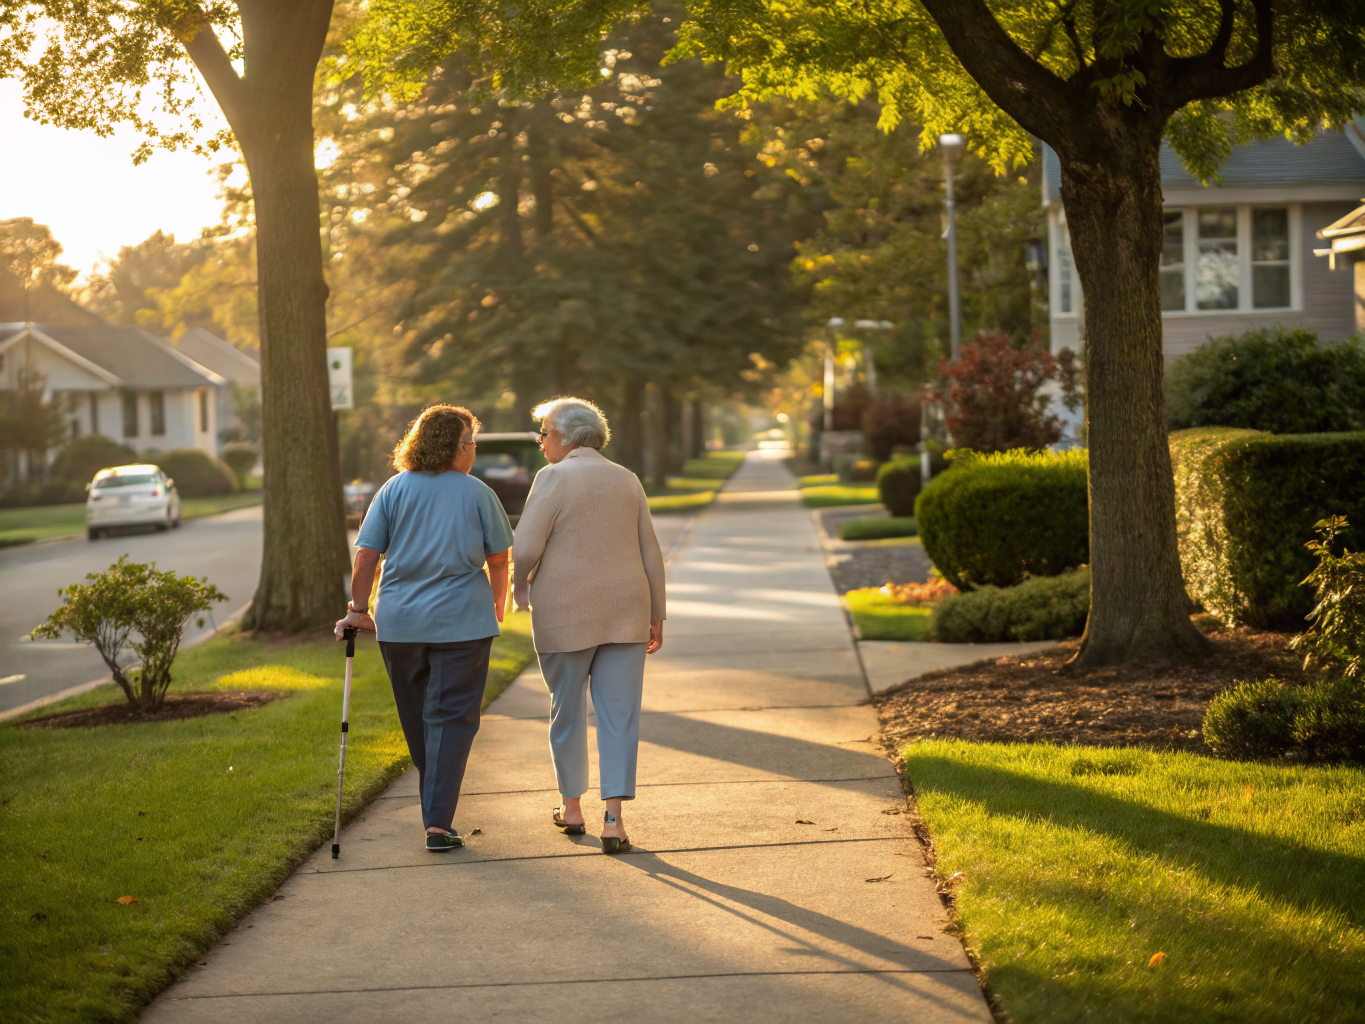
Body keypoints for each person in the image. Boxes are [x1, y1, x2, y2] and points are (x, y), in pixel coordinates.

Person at [335, 404, 512, 852]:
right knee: (452, 719)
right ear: (455, 448)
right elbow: (498, 559)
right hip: (463, 622)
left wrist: (358, 608)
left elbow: (365, 557)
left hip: (401, 623)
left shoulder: (392, 489)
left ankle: (436, 812)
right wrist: (497, 601)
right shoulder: (477, 493)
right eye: (470, 443)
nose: (472, 451)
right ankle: (437, 823)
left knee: (418, 719)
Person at [512, 397, 666, 854]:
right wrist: (657, 613)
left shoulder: (553, 478)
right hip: (627, 610)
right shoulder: (627, 479)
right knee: (620, 715)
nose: (540, 442)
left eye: (543, 432)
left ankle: (572, 808)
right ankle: (614, 820)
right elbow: (650, 551)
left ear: (566, 436)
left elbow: (524, 549)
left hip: (565, 611)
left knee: (567, 707)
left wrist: (520, 589)